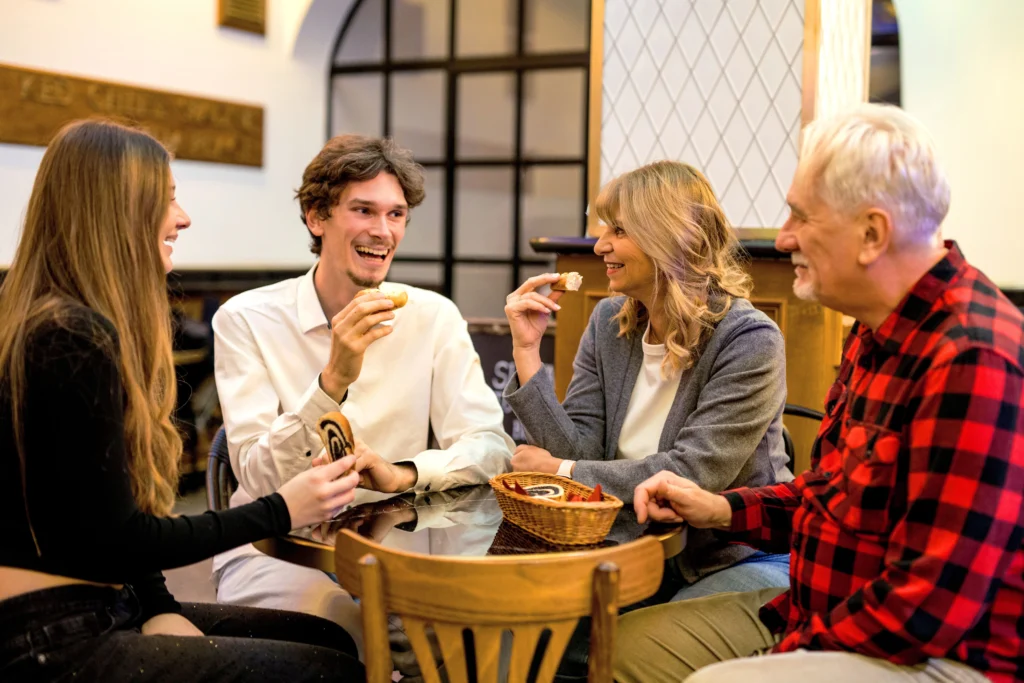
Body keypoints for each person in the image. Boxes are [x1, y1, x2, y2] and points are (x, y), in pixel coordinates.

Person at [614, 104, 1024, 683]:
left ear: (871, 234)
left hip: (939, 658)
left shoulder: (971, 358)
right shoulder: (877, 329)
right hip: (823, 615)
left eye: (801, 217)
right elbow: (833, 495)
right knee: (628, 647)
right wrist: (723, 508)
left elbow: (926, 607)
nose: (783, 239)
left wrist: (788, 654)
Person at [0, 119, 366, 682]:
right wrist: (283, 509)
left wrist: (160, 606)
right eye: (168, 198)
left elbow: (104, 519)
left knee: (328, 637)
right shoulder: (68, 339)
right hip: (45, 632)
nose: (184, 217)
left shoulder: (66, 324)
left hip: (101, 601)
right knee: (328, 669)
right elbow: (117, 537)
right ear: (115, 212)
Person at [211, 134, 514, 654]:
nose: (382, 231)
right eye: (363, 210)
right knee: (341, 635)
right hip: (278, 551)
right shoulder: (247, 319)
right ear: (316, 216)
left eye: (396, 215)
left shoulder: (434, 317)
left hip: (406, 545)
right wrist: (334, 379)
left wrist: (405, 473)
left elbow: (491, 445)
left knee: (483, 635)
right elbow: (256, 477)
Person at [502, 160, 793, 600]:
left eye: (619, 231)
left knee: (592, 646)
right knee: (529, 624)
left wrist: (558, 471)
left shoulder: (749, 340)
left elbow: (689, 475)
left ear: (675, 237)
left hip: (731, 558)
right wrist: (527, 352)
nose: (600, 246)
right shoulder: (608, 323)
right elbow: (579, 450)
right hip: (631, 549)